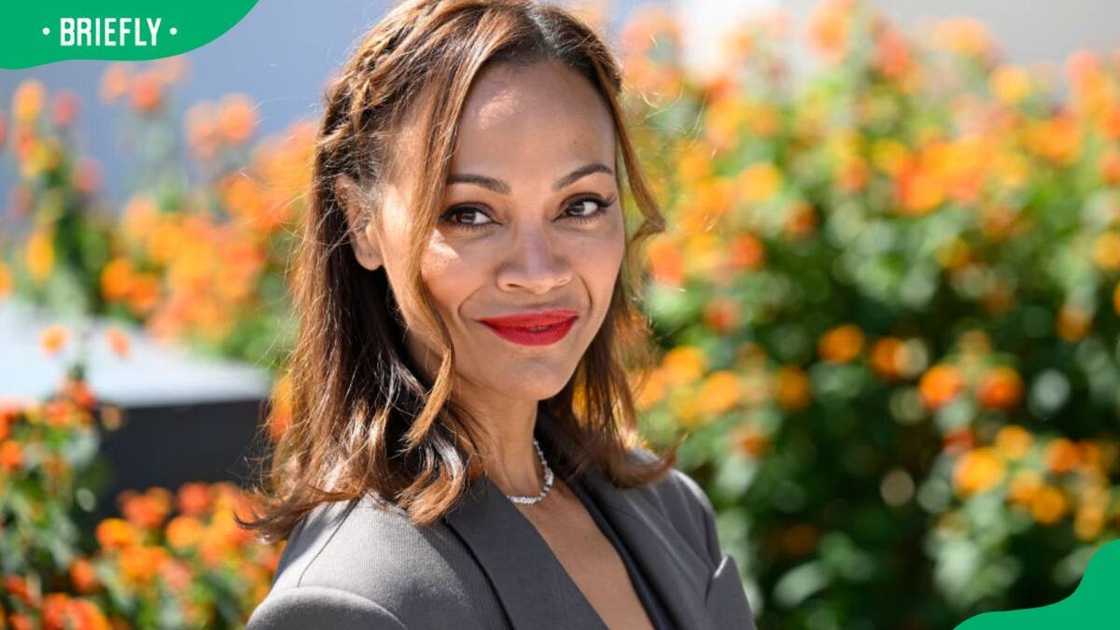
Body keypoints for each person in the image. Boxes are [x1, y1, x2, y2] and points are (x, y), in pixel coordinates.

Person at [241, 0, 755, 628]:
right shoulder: (355, 598)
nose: (539, 273)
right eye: (470, 213)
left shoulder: (672, 512)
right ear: (361, 223)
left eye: (581, 204)